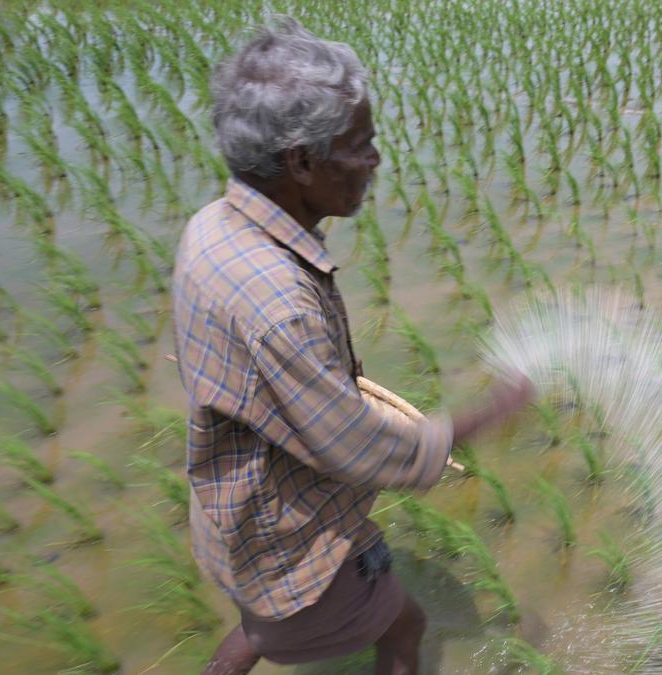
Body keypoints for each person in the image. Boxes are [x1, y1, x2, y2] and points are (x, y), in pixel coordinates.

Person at [171, 17, 532, 675]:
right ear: (302, 161)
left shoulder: (212, 228)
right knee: (404, 627)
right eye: (360, 144)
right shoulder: (276, 302)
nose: (375, 160)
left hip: (234, 512)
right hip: (287, 536)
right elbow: (357, 447)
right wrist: (486, 414)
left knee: (260, 625)